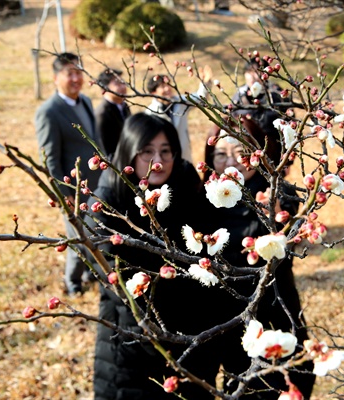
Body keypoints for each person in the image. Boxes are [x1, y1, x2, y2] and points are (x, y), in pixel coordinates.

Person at [87, 113, 217, 399]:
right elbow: (115, 280)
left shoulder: (186, 183)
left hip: (192, 333)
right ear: (130, 152)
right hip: (135, 335)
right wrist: (153, 333)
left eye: (165, 151)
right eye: (147, 151)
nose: (157, 159)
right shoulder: (107, 201)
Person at [202, 118, 316, 398]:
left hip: (276, 305)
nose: (232, 161)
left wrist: (274, 215)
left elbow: (290, 243)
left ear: (257, 154)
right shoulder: (203, 199)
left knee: (291, 379)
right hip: (228, 314)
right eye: (220, 154)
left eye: (241, 152)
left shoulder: (280, 193)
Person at [34, 52, 101, 296]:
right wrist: (64, 194)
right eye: (69, 73)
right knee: (76, 238)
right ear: (56, 78)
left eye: (78, 72)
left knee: (94, 233)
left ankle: (88, 273)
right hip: (72, 189)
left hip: (94, 184)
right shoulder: (49, 112)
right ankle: (72, 283)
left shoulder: (85, 102)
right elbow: (50, 158)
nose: (75, 78)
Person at [145, 66, 213, 163]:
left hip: (184, 153)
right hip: (163, 158)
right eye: (162, 86)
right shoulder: (150, 113)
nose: (167, 88)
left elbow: (200, 98)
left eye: (168, 84)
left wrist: (205, 83)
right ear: (153, 92)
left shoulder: (180, 102)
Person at [94, 68, 131, 156]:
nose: (123, 87)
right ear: (105, 88)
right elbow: (104, 148)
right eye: (118, 84)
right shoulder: (102, 114)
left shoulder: (125, 106)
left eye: (123, 82)